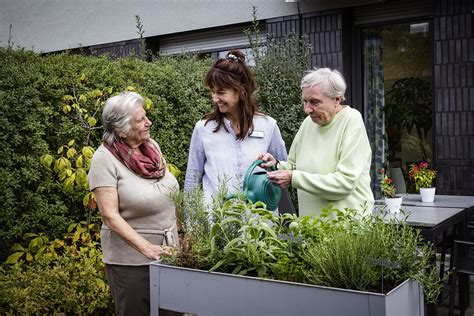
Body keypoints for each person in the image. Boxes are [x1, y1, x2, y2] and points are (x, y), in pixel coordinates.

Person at [88, 92, 179, 316]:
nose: (149, 122)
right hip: (131, 264)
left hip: (169, 254)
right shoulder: (104, 159)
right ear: (121, 128)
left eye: (146, 116)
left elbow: (169, 195)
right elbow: (109, 215)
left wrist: (182, 233)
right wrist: (147, 248)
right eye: (140, 120)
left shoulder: (152, 148)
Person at [257, 68, 374, 216]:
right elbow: (294, 165)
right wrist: (275, 165)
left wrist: (294, 177)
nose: (307, 109)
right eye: (305, 101)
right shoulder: (309, 123)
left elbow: (345, 183)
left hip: (348, 230)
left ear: (336, 99)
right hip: (311, 227)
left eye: (314, 102)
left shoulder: (351, 120)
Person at [184, 50, 288, 204]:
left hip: (260, 221)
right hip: (217, 222)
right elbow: (192, 180)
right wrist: (191, 222)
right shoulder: (203, 128)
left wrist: (274, 166)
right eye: (212, 92)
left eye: (220, 92)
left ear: (241, 91)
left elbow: (284, 170)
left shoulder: (268, 125)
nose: (215, 99)